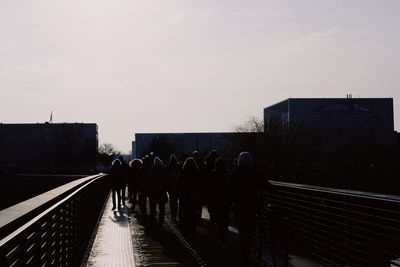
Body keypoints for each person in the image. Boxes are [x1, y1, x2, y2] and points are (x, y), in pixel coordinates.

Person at [228, 151, 262, 265]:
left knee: (242, 229)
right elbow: (265, 184)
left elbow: (228, 187)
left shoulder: (235, 173)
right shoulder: (254, 173)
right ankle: (250, 250)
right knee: (251, 227)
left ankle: (244, 253)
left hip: (239, 204)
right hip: (252, 204)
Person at [178, 157, 202, 240]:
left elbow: (179, 184)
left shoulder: (183, 172)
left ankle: (186, 230)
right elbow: (200, 185)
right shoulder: (197, 173)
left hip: (185, 197)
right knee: (193, 213)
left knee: (185, 213)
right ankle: (192, 229)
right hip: (194, 196)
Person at [210, 157, 230, 238]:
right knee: (225, 216)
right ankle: (224, 232)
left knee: (218, 216)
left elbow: (210, 187)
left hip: (216, 199)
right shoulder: (227, 173)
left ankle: (220, 232)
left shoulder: (213, 174)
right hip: (225, 198)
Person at [148, 157, 168, 227]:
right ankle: (161, 221)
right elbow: (166, 181)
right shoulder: (164, 170)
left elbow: (149, 182)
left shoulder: (152, 170)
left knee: (152, 207)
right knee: (162, 207)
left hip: (153, 192)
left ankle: (152, 219)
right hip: (161, 191)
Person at [166, 154, 180, 222]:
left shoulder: (168, 167)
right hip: (177, 186)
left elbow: (167, 178)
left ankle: (173, 215)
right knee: (176, 201)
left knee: (172, 200)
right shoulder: (178, 166)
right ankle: (176, 214)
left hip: (170, 186)